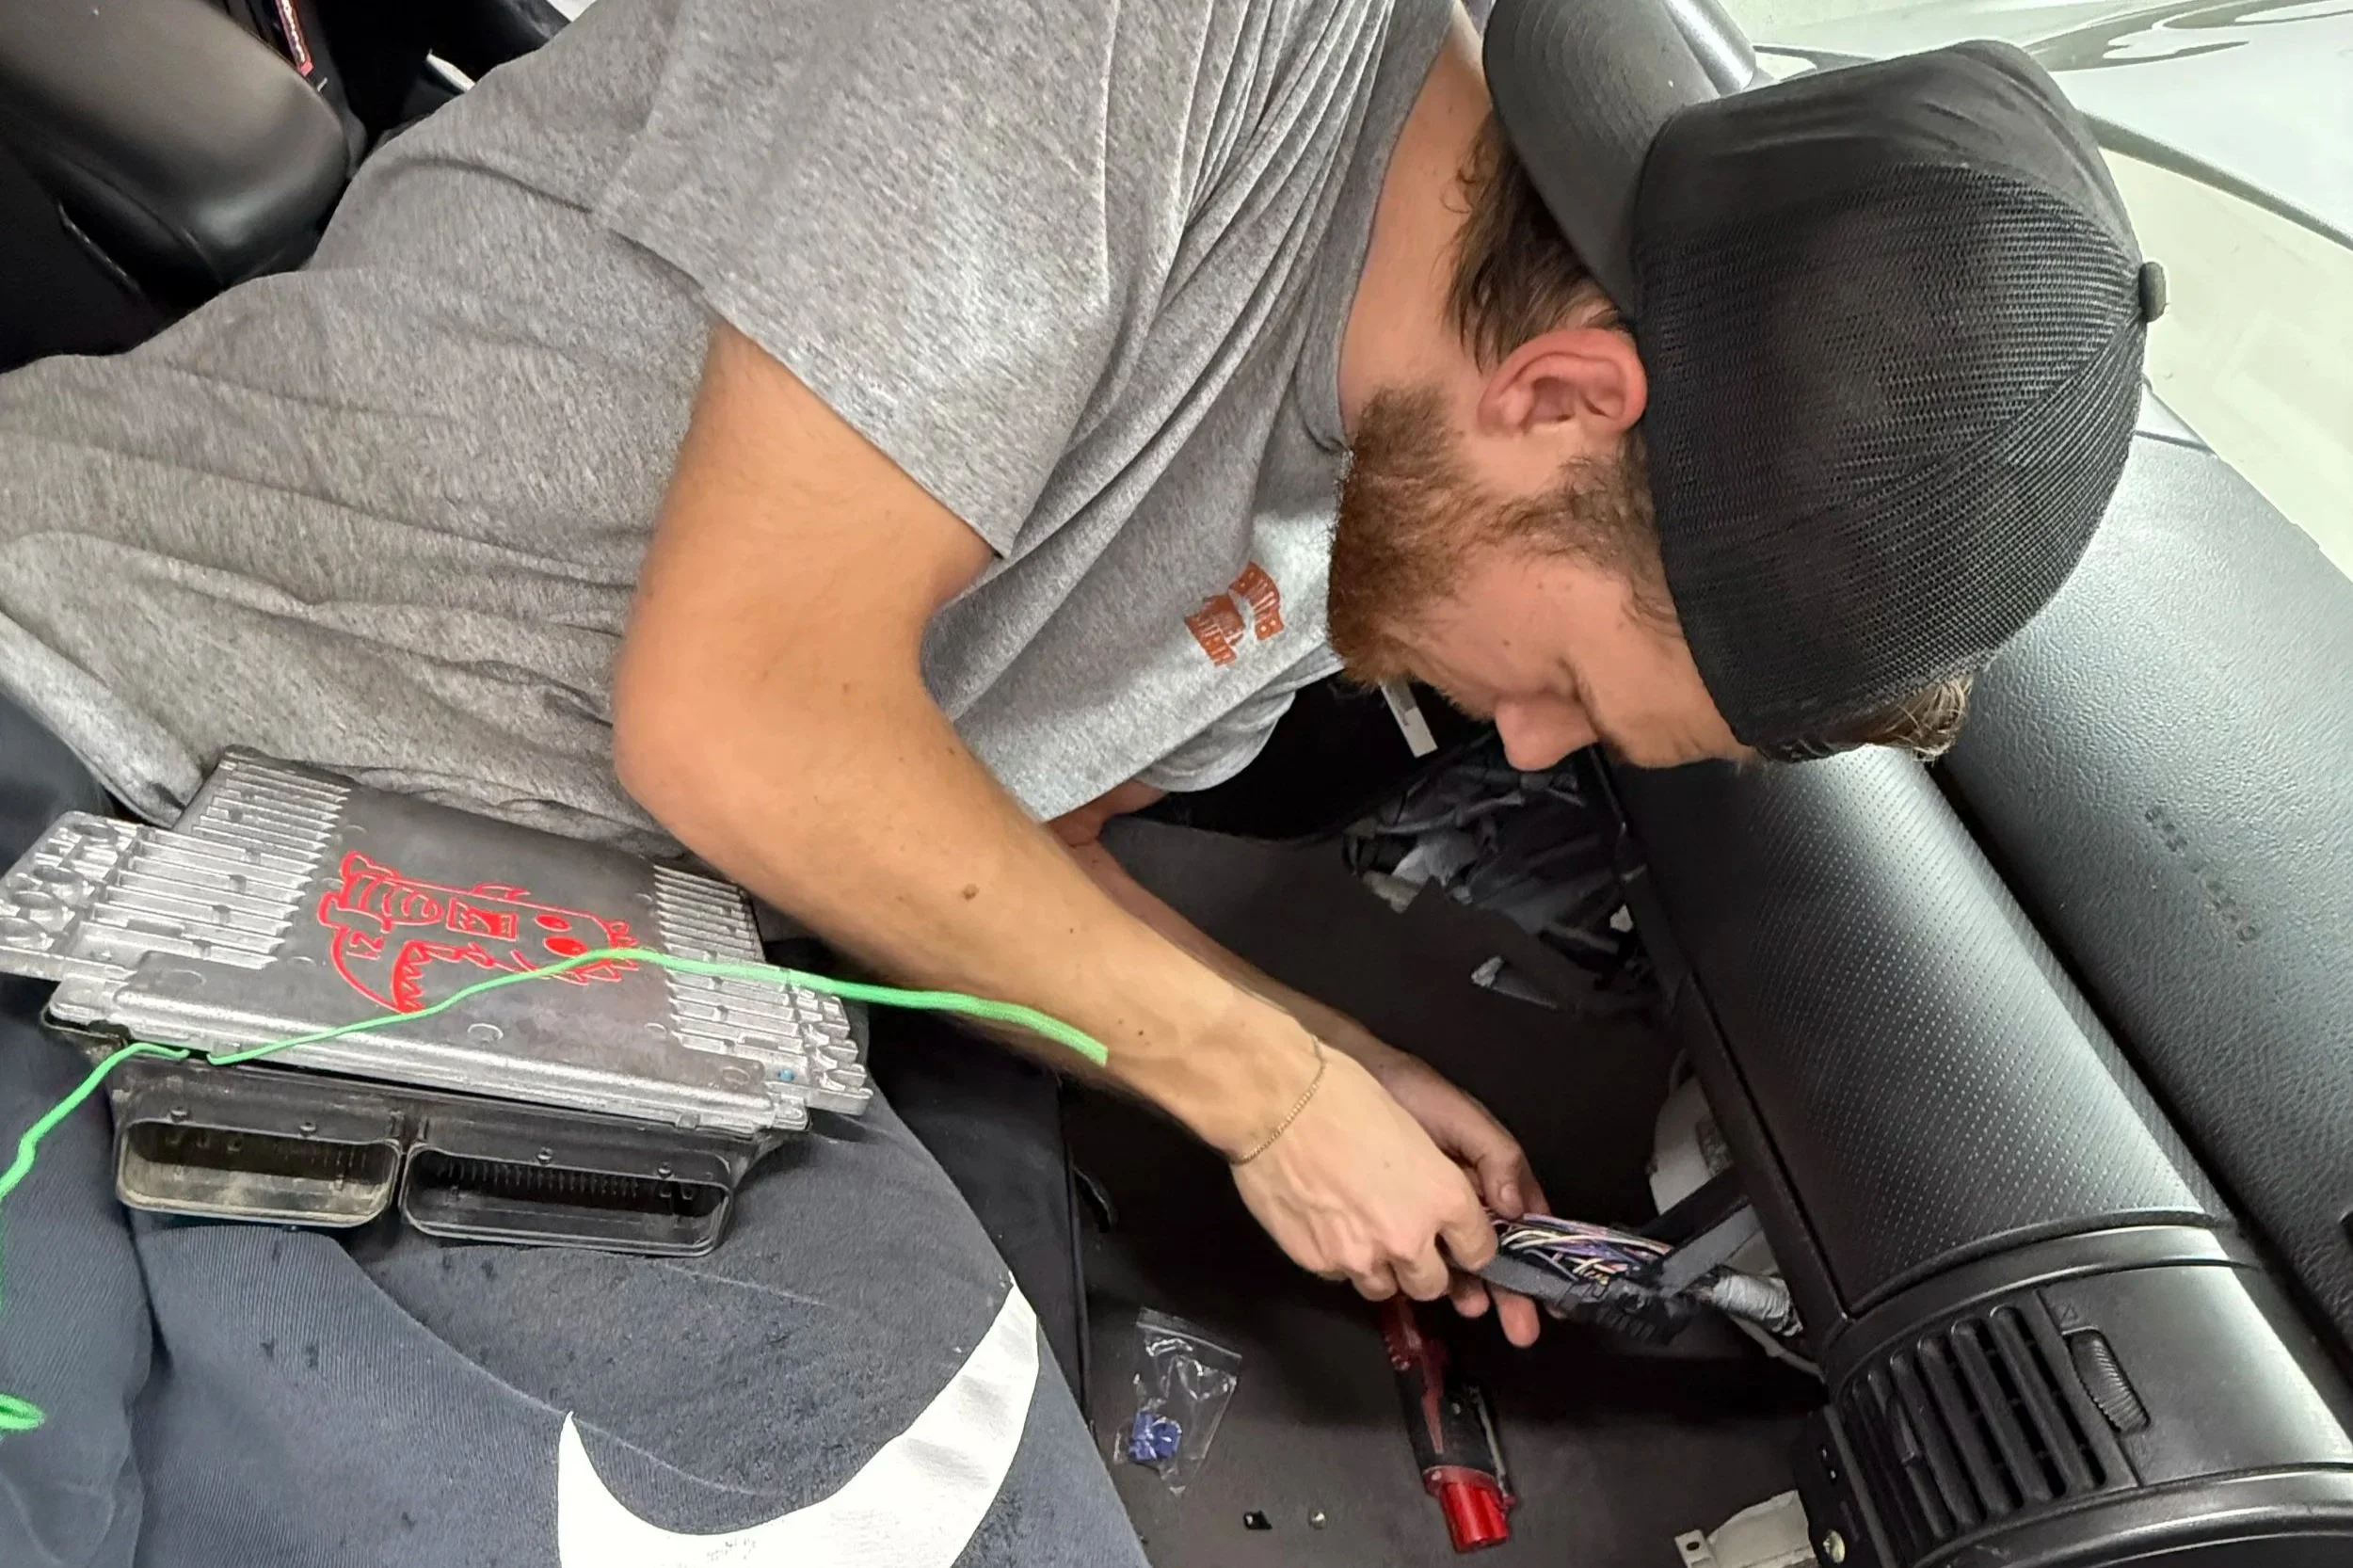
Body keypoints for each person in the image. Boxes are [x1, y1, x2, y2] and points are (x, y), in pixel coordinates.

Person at [0, 0, 2153, 1560]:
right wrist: (1255, 1086)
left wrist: (1315, 1054)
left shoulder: (1381, 472)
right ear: (1565, 392)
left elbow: (984, 823)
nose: (1521, 750)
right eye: (1579, 683)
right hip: (131, 718)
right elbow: (747, 715)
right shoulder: (1118, 39)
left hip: (567, 927)